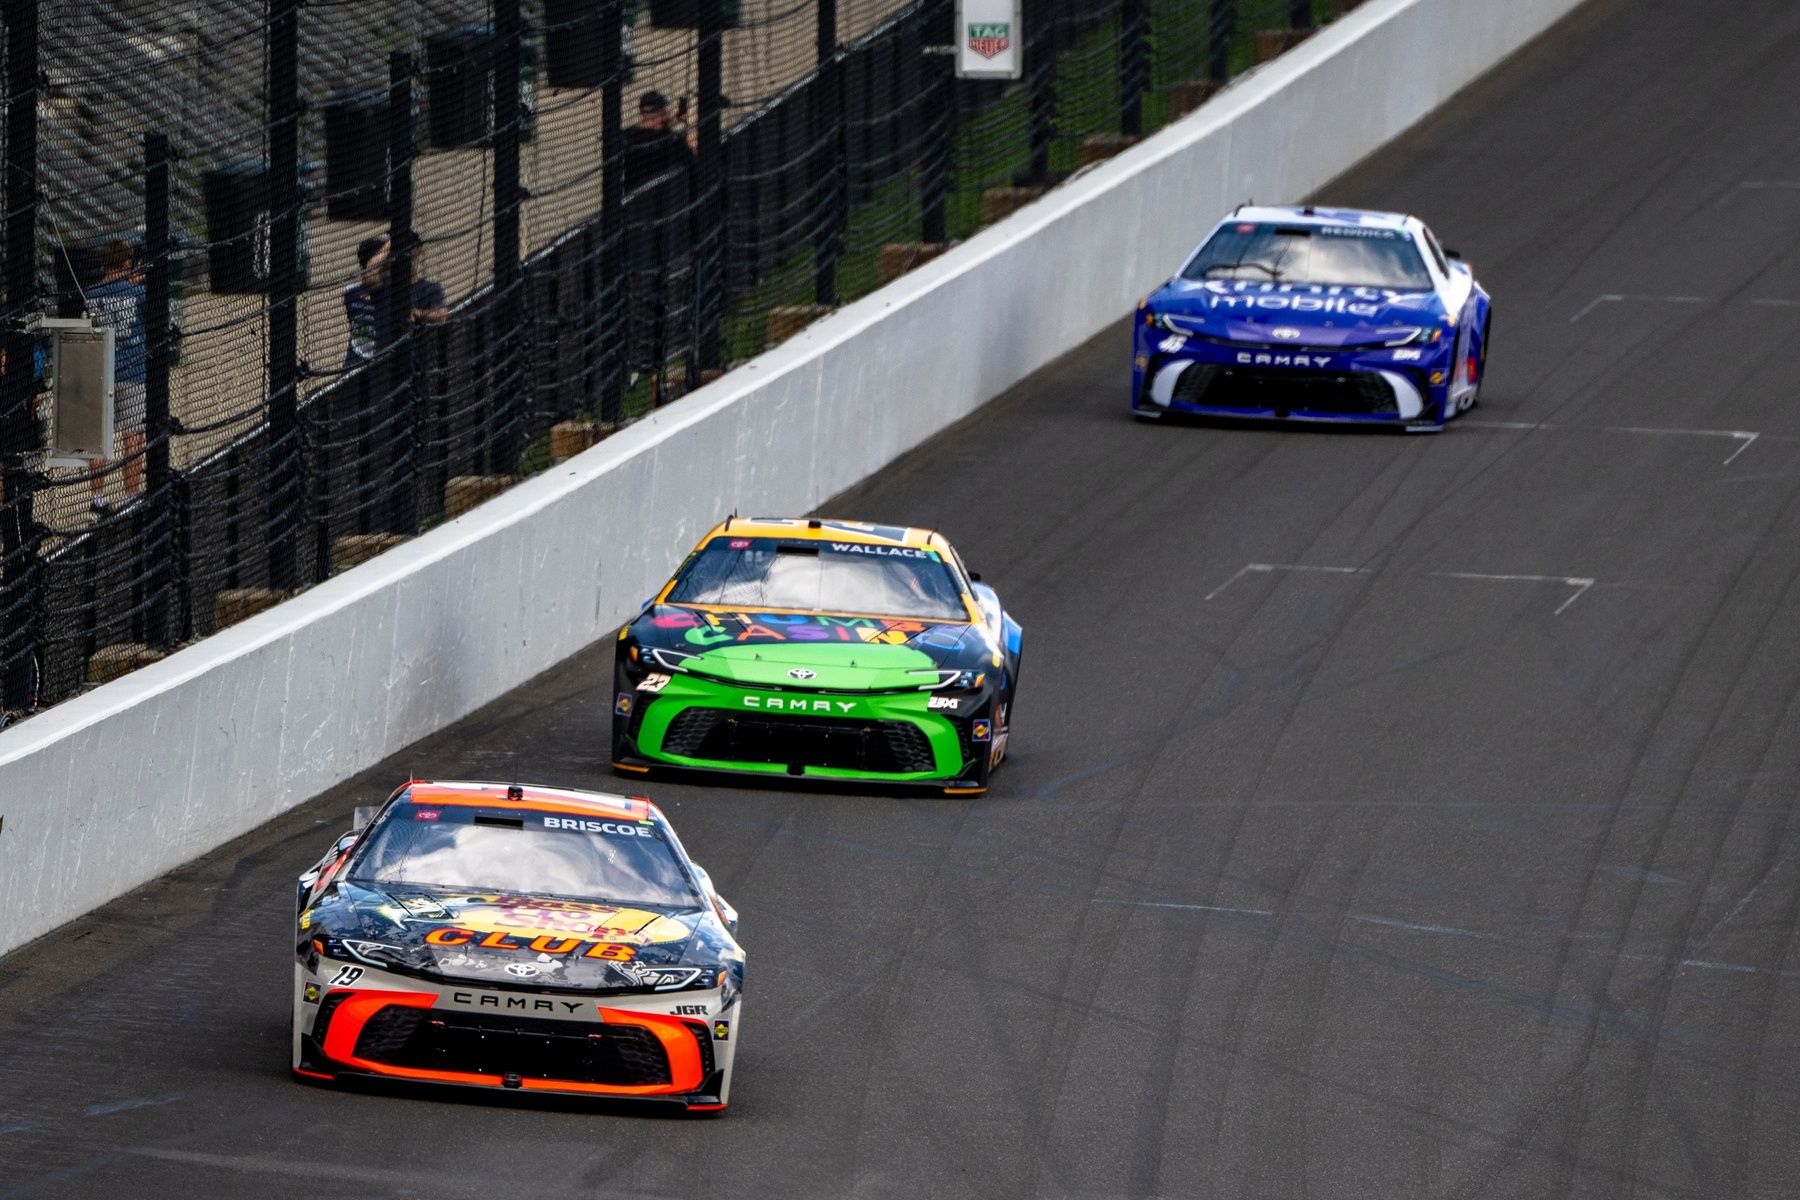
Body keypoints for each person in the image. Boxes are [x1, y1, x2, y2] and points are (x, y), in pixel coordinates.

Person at [85, 239, 146, 514]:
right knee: (132, 436)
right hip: (133, 371)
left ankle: (97, 497)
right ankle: (131, 495)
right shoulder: (139, 292)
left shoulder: (91, 292)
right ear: (125, 262)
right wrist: (134, 284)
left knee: (99, 437)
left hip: (102, 371)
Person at [341, 232, 448, 372]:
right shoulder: (385, 286)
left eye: (414, 250)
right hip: (377, 365)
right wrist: (394, 239)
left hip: (411, 365)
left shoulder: (429, 288)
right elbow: (369, 275)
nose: (411, 256)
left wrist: (418, 313)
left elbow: (441, 315)